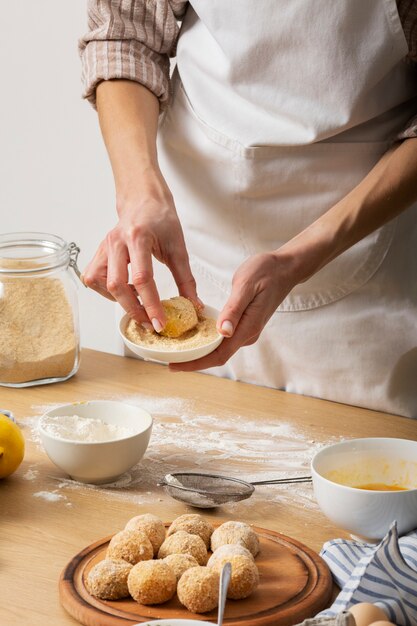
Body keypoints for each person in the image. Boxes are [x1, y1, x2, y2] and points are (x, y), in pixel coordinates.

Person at [79, 1, 417, 418]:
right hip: (198, 224)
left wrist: (298, 257)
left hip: (361, 248)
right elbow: (126, 33)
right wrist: (139, 193)